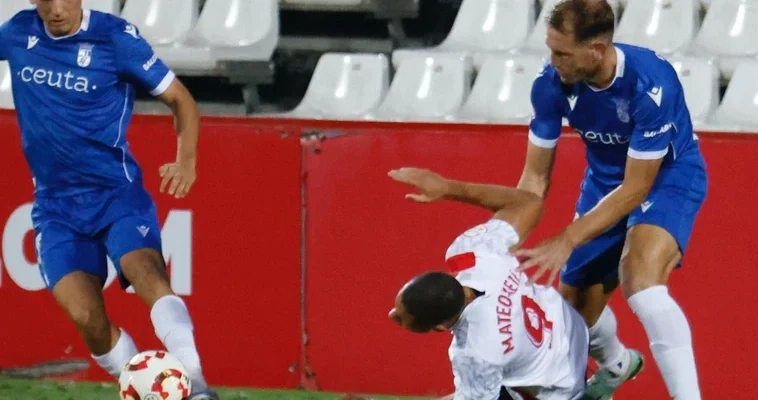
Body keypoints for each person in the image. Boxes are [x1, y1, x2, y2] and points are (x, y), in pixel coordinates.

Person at [2, 1, 217, 399]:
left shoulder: (116, 38)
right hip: (56, 208)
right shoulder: (17, 33)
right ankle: (144, 388)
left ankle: (196, 381)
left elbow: (181, 100)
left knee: (146, 272)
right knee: (87, 317)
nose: (56, 9)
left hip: (116, 195)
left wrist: (186, 160)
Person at [514, 1, 707, 399]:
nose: (553, 62)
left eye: (562, 53)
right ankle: (618, 364)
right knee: (571, 317)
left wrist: (568, 238)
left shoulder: (651, 84)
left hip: (667, 179)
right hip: (603, 184)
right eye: (550, 50)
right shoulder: (550, 84)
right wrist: (506, 236)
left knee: (641, 280)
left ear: (597, 50)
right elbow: (535, 177)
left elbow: (637, 188)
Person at [349, 167, 594, 400]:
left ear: (439, 327)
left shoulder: (475, 352)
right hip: (567, 322)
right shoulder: (473, 254)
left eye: (401, 318)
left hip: (562, 383)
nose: (392, 314)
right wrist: (447, 187)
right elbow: (528, 203)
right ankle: (616, 361)